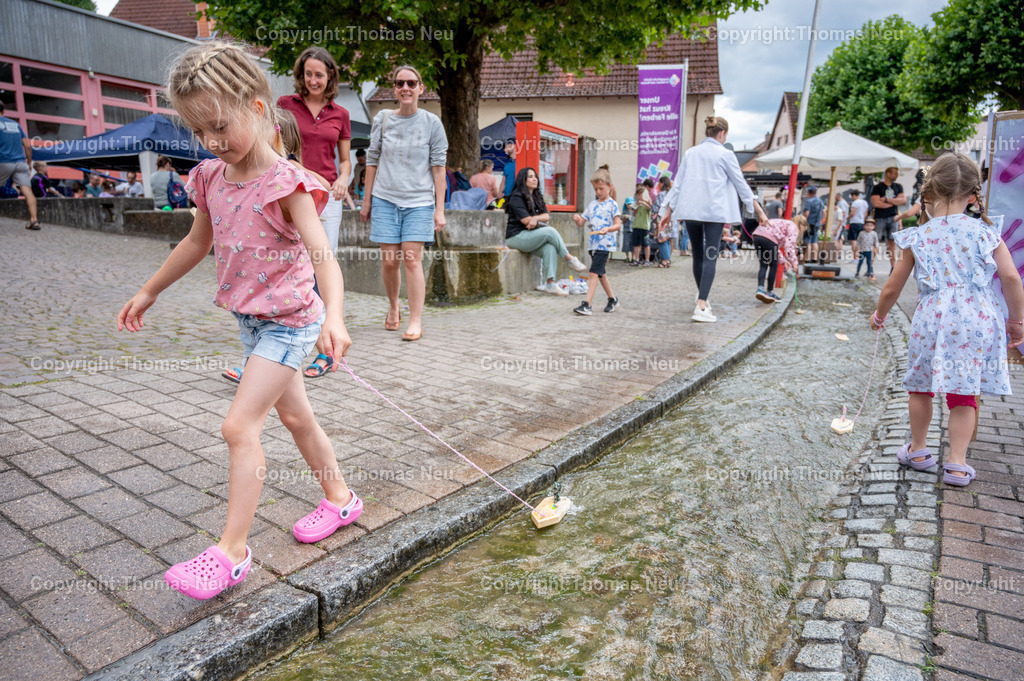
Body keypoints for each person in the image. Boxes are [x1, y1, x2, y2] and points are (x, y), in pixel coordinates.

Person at [118, 42, 361, 600]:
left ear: (255, 107)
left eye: (220, 126)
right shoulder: (210, 177)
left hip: (292, 324)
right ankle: (342, 499)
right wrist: (150, 290)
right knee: (297, 418)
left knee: (238, 426)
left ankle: (231, 553)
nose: (211, 141)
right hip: (250, 323)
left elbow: (324, 257)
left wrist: (336, 317)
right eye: (198, 131)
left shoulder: (287, 183)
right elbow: (196, 241)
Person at [871, 153, 1023, 487]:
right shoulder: (986, 233)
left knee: (921, 386)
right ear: (972, 196)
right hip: (977, 319)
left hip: (932, 319)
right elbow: (1011, 278)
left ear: (927, 193)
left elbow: (892, 287)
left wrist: (880, 316)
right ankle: (956, 463)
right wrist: (1016, 322)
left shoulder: (917, 236)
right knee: (965, 391)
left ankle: (919, 451)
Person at [361, 64, 447, 342]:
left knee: (411, 259)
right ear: (394, 89)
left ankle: (415, 320)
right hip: (385, 199)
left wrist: (440, 209)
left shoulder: (432, 123)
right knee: (389, 262)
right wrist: (366, 201)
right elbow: (372, 161)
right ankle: (393, 305)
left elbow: (439, 168)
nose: (405, 88)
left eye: (411, 83)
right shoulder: (383, 119)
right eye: (400, 83)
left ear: (421, 88)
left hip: (419, 201)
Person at [660, 116, 767, 323]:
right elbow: (741, 184)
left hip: (691, 210)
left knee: (698, 256)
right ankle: (701, 305)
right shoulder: (726, 154)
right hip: (713, 211)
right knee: (710, 257)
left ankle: (703, 299)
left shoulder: (691, 153)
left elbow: (678, 184)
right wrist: (759, 212)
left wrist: (668, 211)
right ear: (722, 133)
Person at [277, 46, 352, 255]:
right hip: (293, 189)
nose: (312, 81)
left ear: (331, 75)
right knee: (294, 255)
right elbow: (276, 148)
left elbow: (345, 160)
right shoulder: (285, 104)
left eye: (319, 75)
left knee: (326, 255)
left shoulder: (341, 114)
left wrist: (343, 178)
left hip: (328, 194)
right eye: (308, 74)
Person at [504, 167, 587, 295]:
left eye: (535, 176)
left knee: (550, 248)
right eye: (530, 177)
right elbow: (525, 221)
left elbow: (546, 216)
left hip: (530, 235)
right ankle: (569, 259)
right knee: (550, 231)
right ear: (523, 180)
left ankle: (550, 284)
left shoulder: (537, 196)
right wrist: (534, 219)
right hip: (516, 237)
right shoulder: (517, 197)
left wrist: (535, 219)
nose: (534, 179)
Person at [572, 167, 621, 315]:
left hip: (604, 244)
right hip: (593, 244)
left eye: (601, 188)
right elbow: (582, 223)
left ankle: (587, 304)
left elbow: (618, 224)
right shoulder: (592, 205)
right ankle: (612, 299)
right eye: (595, 189)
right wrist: (577, 219)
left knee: (593, 272)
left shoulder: (612, 205)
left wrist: (609, 229)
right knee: (600, 273)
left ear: (609, 187)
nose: (598, 192)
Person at [0, 102, 40, 229]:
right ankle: (34, 220)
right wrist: (28, 162)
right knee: (27, 191)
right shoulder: (16, 125)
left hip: (3, 162)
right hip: (21, 163)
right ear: (3, 111)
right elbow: (27, 146)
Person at [751, 216, 798, 303]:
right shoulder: (793, 227)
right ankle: (770, 292)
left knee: (763, 264)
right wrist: (794, 263)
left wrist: (783, 261)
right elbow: (789, 246)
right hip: (769, 237)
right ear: (802, 226)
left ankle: (760, 289)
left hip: (757, 235)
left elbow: (775, 248)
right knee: (773, 264)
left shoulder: (782, 223)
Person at [871, 166, 905, 271]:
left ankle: (893, 267)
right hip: (880, 218)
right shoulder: (878, 187)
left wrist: (886, 200)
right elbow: (876, 203)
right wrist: (894, 202)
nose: (897, 175)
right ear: (888, 174)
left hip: (893, 218)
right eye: (895, 173)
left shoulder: (898, 186)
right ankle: (870, 266)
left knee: (892, 242)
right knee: (875, 241)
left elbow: (903, 201)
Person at [629, 182, 652, 266]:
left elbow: (650, 209)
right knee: (636, 244)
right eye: (638, 195)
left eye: (640, 194)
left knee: (646, 244)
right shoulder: (637, 203)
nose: (639, 196)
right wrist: (636, 207)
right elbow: (634, 214)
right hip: (636, 225)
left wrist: (643, 203)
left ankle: (647, 260)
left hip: (644, 226)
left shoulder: (648, 202)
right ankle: (636, 259)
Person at [801, 185, 824, 260]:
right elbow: (824, 212)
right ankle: (814, 258)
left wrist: (803, 222)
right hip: (817, 223)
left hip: (809, 223)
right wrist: (821, 220)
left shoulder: (809, 201)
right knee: (814, 241)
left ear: (809, 192)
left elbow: (806, 213)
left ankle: (807, 258)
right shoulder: (820, 201)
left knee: (808, 241)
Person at [847, 189, 869, 262]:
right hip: (861, 222)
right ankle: (859, 256)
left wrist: (848, 217)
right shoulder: (865, 202)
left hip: (854, 222)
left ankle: (855, 257)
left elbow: (852, 213)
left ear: (854, 195)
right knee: (859, 241)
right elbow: (866, 213)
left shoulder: (855, 203)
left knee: (853, 240)